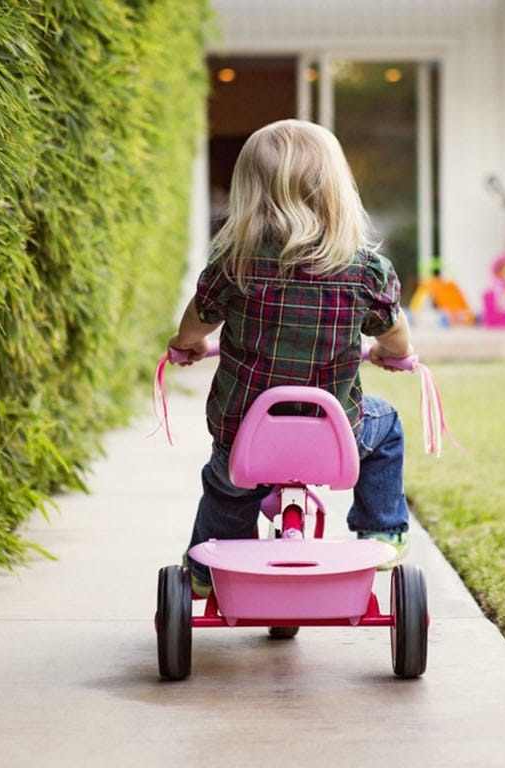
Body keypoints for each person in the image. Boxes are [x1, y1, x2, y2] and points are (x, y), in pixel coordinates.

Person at [167, 119, 414, 596]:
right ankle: (381, 528)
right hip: (335, 436)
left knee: (226, 484)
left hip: (246, 436)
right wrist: (388, 351)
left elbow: (197, 319)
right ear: (336, 189)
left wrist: (188, 343)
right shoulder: (365, 271)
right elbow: (396, 333)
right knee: (387, 426)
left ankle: (206, 570)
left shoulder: (233, 265)